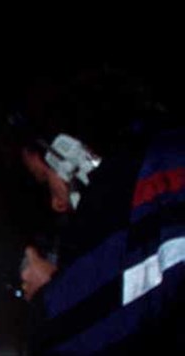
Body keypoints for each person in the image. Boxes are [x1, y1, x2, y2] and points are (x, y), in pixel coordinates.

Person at [11, 69, 184, 354]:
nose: (56, 203)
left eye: (46, 181)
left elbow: (85, 326)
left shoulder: (148, 178)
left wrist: (46, 295)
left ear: (70, 152)